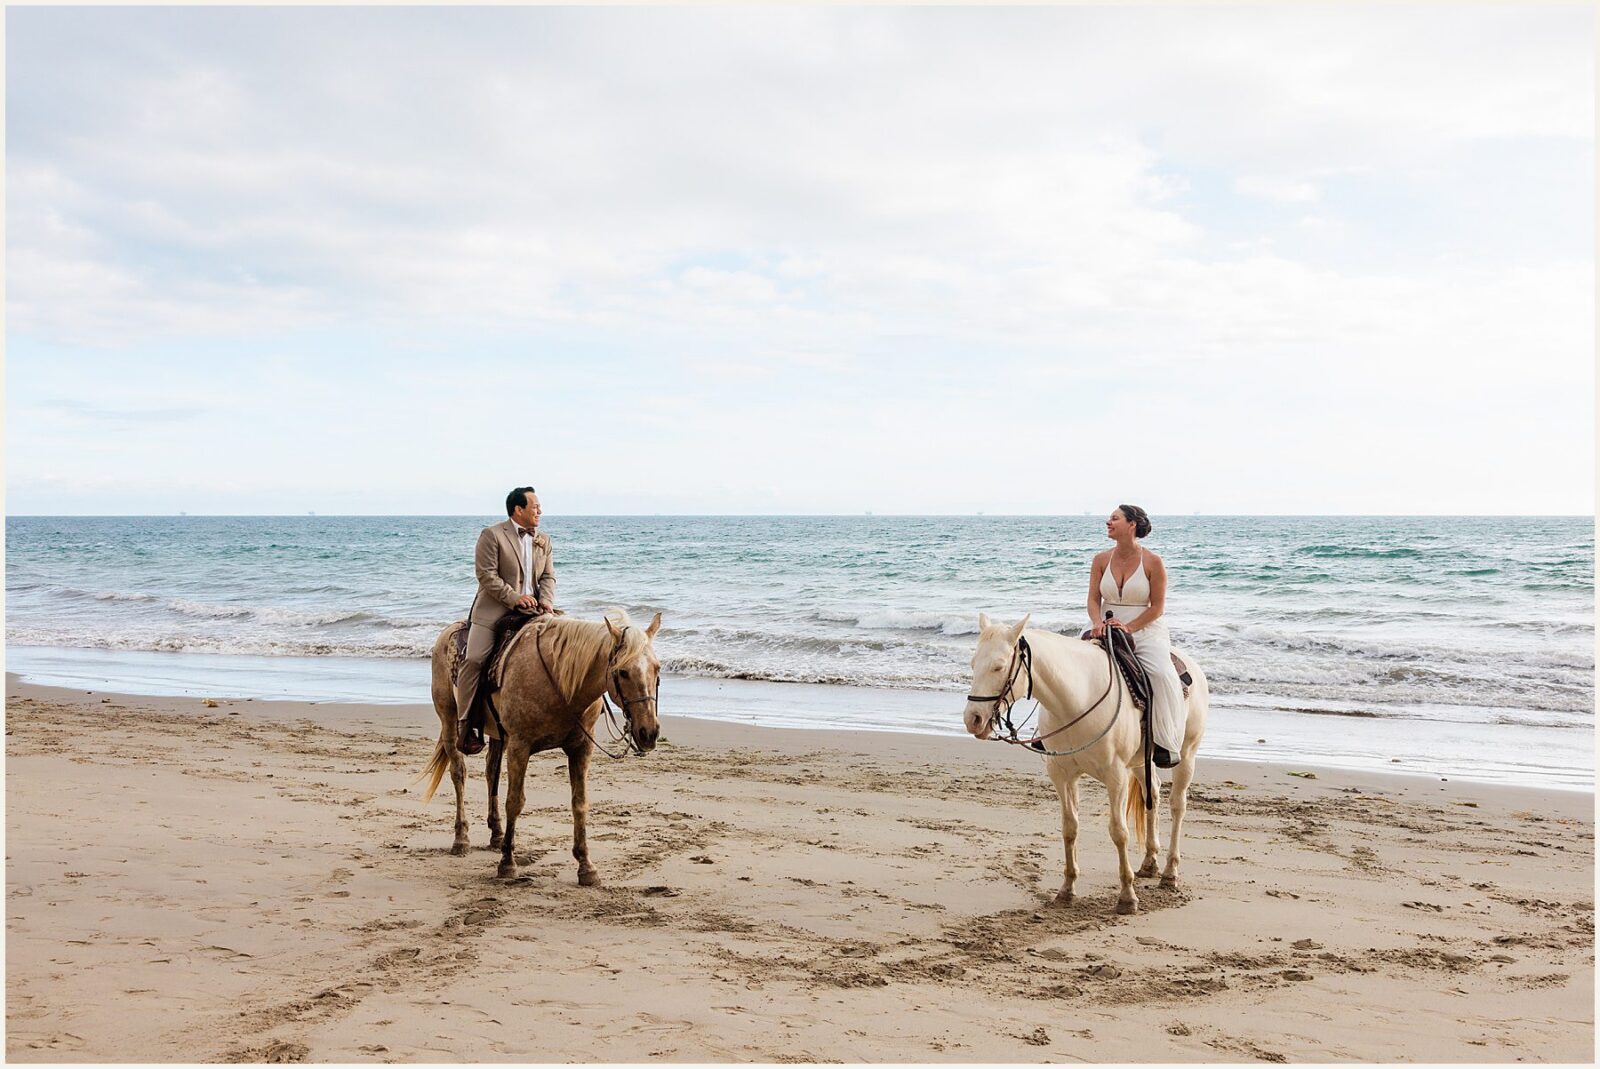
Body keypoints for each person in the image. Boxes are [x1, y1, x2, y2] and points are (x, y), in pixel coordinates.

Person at [455, 486, 556, 754]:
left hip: (535, 609)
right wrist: (514, 599)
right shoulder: (492, 535)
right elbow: (486, 576)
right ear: (518, 510)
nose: (540, 511)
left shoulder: (543, 539)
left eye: (539, 507)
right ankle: (465, 726)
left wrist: (546, 601)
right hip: (495, 609)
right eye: (535, 507)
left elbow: (547, 577)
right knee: (475, 659)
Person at [1087, 504, 1184, 768]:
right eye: (1109, 518)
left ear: (1132, 525)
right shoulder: (1100, 560)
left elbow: (1157, 608)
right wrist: (1096, 621)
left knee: (1162, 674)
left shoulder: (1153, 562)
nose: (1108, 522)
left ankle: (1165, 742)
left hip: (1144, 629)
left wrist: (1130, 627)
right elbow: (1094, 600)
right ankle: (1049, 733)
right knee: (1065, 664)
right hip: (1105, 626)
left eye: (1114, 518)